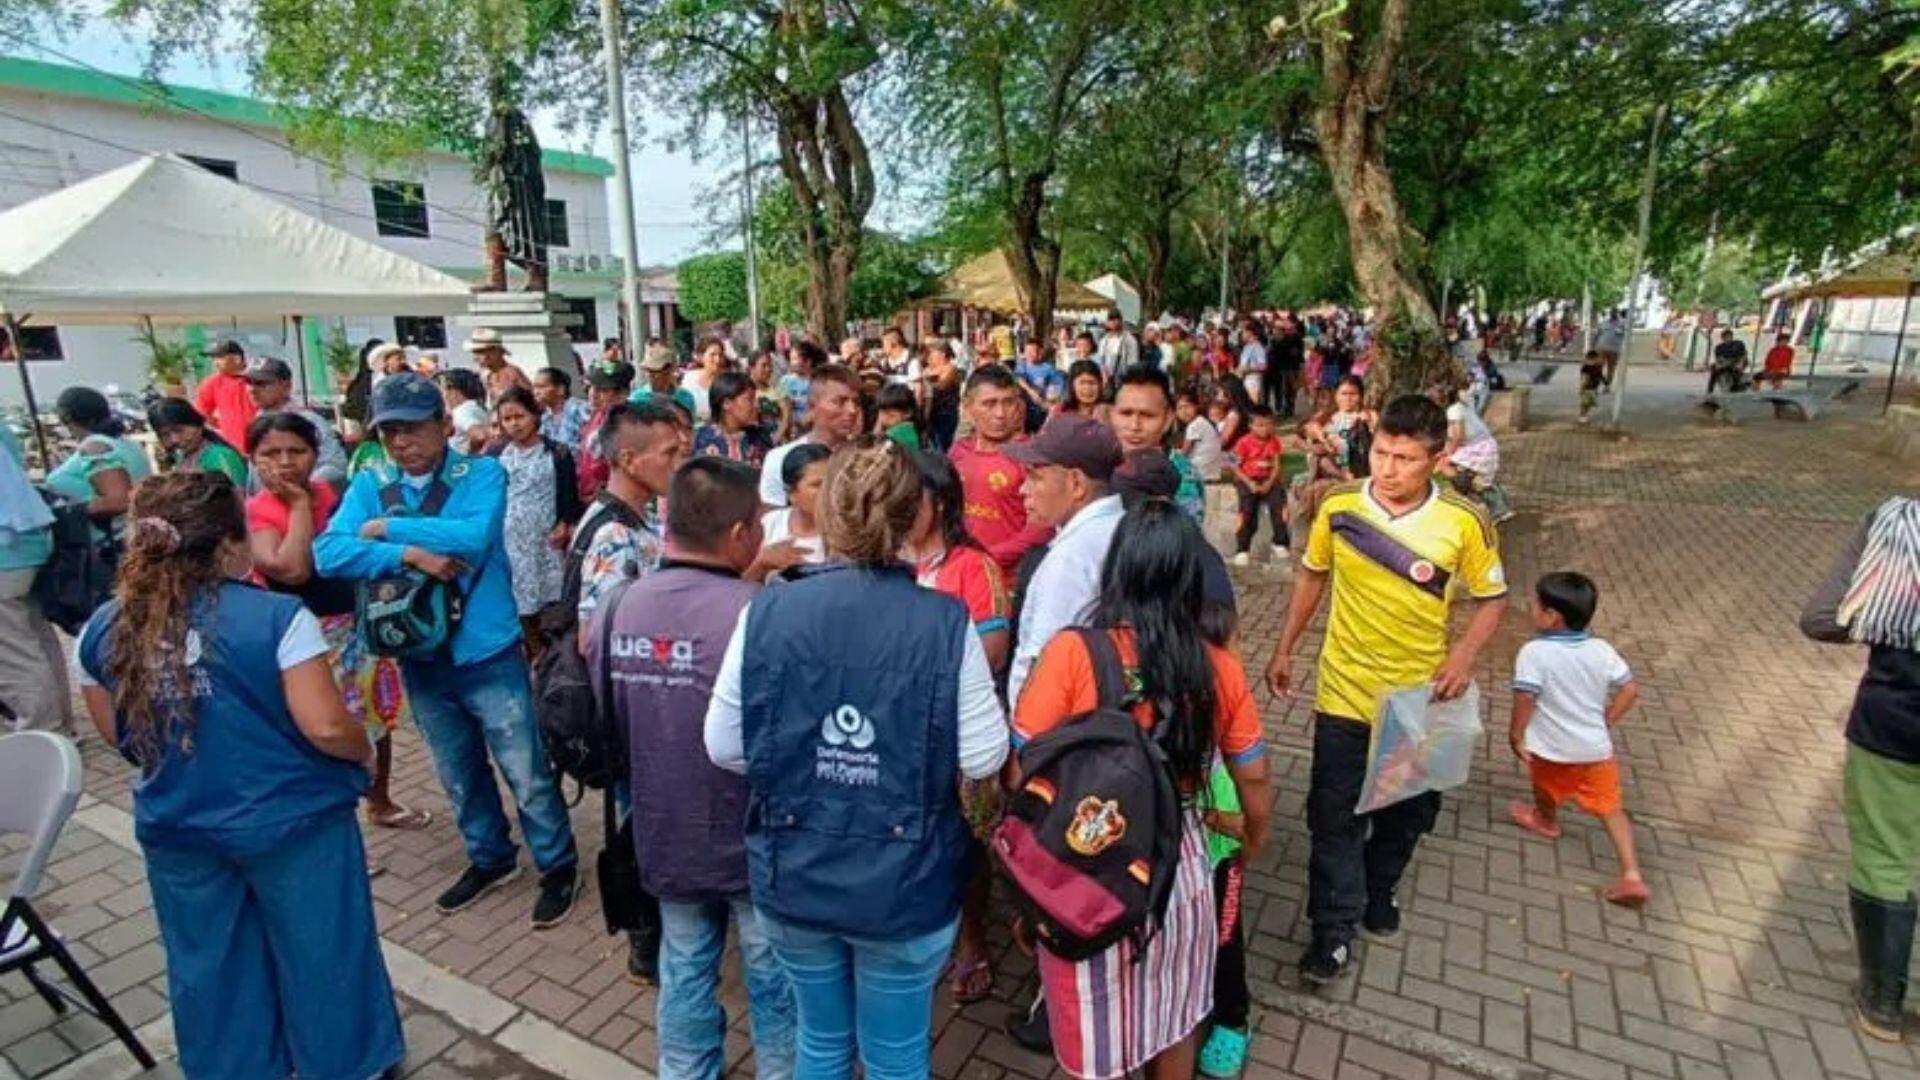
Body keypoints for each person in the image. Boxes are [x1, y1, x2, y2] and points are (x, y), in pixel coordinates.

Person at [76, 472, 405, 1080]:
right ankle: (346, 1064)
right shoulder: (276, 618)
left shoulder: (103, 627)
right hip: (291, 821)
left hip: (178, 822)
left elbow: (119, 735)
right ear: (231, 541)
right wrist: (362, 753)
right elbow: (327, 727)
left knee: (209, 962)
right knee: (323, 952)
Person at [705, 438, 1010, 1080]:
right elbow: (984, 754)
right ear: (912, 516)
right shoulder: (945, 621)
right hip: (908, 880)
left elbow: (725, 745)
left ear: (831, 513)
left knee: (820, 1041)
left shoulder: (768, 607)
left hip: (794, 869)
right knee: (896, 1054)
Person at [1013, 499, 1272, 1080]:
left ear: (1118, 569)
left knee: (1091, 1018)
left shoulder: (1071, 653)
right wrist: (1255, 836)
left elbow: (1023, 763)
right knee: (1175, 1015)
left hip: (1083, 860)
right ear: (1188, 575)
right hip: (1179, 858)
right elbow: (1252, 773)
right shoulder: (1215, 664)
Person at [315, 372, 582, 927]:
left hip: (488, 651)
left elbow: (473, 537)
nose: (400, 442)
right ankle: (490, 858)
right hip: (420, 655)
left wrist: (384, 527)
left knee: (526, 769)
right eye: (389, 432)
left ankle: (558, 865)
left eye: (412, 428)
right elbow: (328, 553)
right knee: (458, 772)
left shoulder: (481, 472)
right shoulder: (370, 479)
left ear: (443, 424)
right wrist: (409, 553)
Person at [1263, 395, 1508, 984]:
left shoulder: (1464, 521)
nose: (1389, 469)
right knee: (1333, 814)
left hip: (1422, 698)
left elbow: (1492, 600)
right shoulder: (1341, 506)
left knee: (1406, 813)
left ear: (1439, 457)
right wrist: (1284, 647)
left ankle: (1381, 885)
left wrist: (1464, 656)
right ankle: (1333, 931)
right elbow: (1313, 574)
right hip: (1343, 689)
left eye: (1405, 458)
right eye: (1380, 452)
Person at [586, 457, 796, 1080]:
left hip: (660, 827)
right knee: (771, 977)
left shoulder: (617, 606)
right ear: (738, 536)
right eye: (758, 524)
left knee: (682, 966)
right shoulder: (760, 614)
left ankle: (685, 1071)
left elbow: (607, 714)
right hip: (750, 837)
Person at [246, 412, 428, 831]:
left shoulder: (336, 493)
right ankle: (332, 822)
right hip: (300, 638)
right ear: (253, 459)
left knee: (375, 718)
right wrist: (297, 507)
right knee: (320, 726)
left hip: (357, 625)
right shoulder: (257, 510)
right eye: (271, 453)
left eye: (297, 451)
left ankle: (379, 801)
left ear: (315, 453)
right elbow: (293, 569)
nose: (285, 462)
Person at [1801, 496, 1920, 1042]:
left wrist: (1892, 623)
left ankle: (1882, 1003)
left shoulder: (1894, 521)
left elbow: (1822, 619)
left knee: (1884, 858)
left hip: (1895, 726)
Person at [907, 451, 1012, 1005]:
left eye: (910, 498)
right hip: (901, 736)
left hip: (957, 735)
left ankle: (973, 939)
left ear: (941, 503)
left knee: (968, 842)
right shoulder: (886, 558)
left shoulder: (974, 565)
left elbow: (993, 652)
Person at [1507, 571, 1647, 905]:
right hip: (1595, 749)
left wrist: (1516, 735)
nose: (1531, 609)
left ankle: (1546, 821)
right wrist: (1606, 720)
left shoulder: (1534, 653)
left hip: (1551, 747)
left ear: (1552, 616)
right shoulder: (1601, 649)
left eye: (1536, 605)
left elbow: (1525, 698)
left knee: (1544, 786)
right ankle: (1632, 874)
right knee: (1612, 808)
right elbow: (1630, 689)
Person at [1007, 413, 1126, 704]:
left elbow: (1042, 668)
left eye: (1035, 476)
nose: (1023, 489)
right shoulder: (1121, 526)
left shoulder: (1070, 559)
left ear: (1076, 484)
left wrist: (1025, 740)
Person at [574, 403, 683, 630]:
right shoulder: (613, 537)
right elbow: (593, 638)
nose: (679, 465)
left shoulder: (640, 516)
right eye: (669, 454)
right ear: (629, 461)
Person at [487, 387, 582, 647]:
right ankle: (534, 654)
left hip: (545, 540)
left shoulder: (556, 453)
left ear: (534, 415)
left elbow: (568, 495)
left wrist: (564, 523)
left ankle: (555, 654)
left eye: (520, 416)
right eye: (507, 419)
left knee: (551, 599)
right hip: (511, 542)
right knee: (520, 603)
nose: (514, 424)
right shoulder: (495, 455)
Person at [951, 364, 1054, 580]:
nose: (1000, 414)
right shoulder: (957, 452)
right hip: (961, 576)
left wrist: (986, 558)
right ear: (968, 408)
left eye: (1008, 403)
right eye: (989, 404)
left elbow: (1042, 528)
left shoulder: (1033, 458)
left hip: (1009, 584)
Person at [0, 422, 64, 734]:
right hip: (27, 540)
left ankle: (41, 730)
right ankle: (60, 727)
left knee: (14, 652)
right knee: (37, 640)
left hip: (6, 547)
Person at [47, 387, 152, 541]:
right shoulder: (124, 441)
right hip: (134, 533)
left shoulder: (96, 447)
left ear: (66, 416)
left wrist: (69, 511)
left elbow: (120, 501)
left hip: (114, 542)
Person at [759, 364, 863, 508]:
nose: (852, 410)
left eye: (856, 402)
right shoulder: (779, 459)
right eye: (839, 402)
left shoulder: (865, 459)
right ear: (812, 407)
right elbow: (772, 521)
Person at [1111, 366, 1203, 523]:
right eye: (1126, 413)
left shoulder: (1184, 475)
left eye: (1147, 415)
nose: (1134, 426)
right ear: (1112, 414)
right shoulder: (1097, 464)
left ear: (1168, 419)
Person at [244, 357, 349, 487]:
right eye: (249, 382)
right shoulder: (257, 420)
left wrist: (297, 489)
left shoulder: (309, 421)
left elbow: (336, 466)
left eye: (261, 383)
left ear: (286, 386)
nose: (252, 389)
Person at [1436, 384, 1515, 523]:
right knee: (1481, 478)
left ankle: (1494, 509)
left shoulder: (1453, 410)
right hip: (1482, 445)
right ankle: (1500, 507)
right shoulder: (1462, 405)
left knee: (1462, 474)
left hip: (1478, 448)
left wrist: (1448, 454)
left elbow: (1459, 436)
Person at [1229, 406, 1288, 567]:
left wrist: (1269, 483)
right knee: (1246, 511)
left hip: (1268, 479)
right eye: (1260, 425)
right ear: (1251, 426)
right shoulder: (1242, 442)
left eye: (1269, 424)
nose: (1265, 428)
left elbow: (1276, 466)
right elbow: (1233, 465)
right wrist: (1249, 483)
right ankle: (1242, 549)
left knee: (1280, 506)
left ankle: (1279, 542)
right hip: (1247, 480)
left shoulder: (1274, 441)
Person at [149, 398, 248, 487]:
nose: (174, 439)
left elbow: (237, 500)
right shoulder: (183, 455)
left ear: (198, 424)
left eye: (179, 430)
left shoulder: (221, 456)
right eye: (165, 435)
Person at [761, 443, 832, 567]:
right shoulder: (768, 526)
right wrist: (762, 564)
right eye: (817, 485)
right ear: (791, 493)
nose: (828, 490)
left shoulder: (846, 534)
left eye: (832, 481)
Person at [578, 358, 636, 498]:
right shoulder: (597, 415)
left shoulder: (629, 424)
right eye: (590, 387)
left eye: (602, 389)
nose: (593, 393)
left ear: (623, 393)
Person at [694, 370, 776, 467]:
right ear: (726, 404)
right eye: (749, 399)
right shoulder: (702, 439)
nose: (756, 406)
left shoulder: (761, 437)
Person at [194, 338, 260, 449]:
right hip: (233, 447)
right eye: (214, 358)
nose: (215, 362)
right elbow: (202, 411)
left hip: (261, 442)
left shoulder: (258, 378)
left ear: (237, 359)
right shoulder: (212, 383)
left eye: (220, 358)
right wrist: (223, 425)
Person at [465, 328, 534, 402]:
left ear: (496, 351)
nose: (475, 358)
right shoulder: (488, 376)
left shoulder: (512, 373)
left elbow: (532, 399)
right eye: (474, 353)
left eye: (480, 352)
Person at [633, 343, 701, 415]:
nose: (649, 375)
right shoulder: (637, 399)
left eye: (655, 370)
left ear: (669, 370)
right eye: (647, 370)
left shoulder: (685, 397)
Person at [920, 340, 964, 451]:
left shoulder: (950, 368)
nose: (929, 356)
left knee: (941, 447)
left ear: (942, 354)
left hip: (945, 413)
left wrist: (924, 384)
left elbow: (942, 385)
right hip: (930, 412)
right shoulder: (928, 369)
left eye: (931, 352)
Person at [534, 366, 592, 447]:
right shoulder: (545, 418)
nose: (536, 392)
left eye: (541, 387)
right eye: (535, 387)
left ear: (560, 389)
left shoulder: (579, 409)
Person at [438, 368, 493, 454]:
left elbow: (480, 436)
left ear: (453, 391)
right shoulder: (477, 407)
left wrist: (470, 457)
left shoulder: (462, 411)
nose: (442, 395)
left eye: (443, 390)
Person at [1179, 391, 1224, 483]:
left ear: (1196, 406)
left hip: (1201, 473)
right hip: (1212, 472)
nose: (1184, 411)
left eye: (1187, 406)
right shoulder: (1202, 421)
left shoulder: (1195, 425)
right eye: (1180, 408)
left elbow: (1184, 453)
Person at [751, 350, 793, 443]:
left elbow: (787, 415)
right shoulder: (743, 390)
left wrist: (777, 437)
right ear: (752, 368)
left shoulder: (778, 388)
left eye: (770, 365)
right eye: (764, 365)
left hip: (778, 440)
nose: (768, 369)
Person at [683, 338, 730, 423]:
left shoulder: (727, 382)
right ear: (701, 357)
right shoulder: (689, 378)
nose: (717, 360)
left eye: (720, 355)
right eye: (712, 355)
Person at [782, 341, 822, 433]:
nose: (791, 362)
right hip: (790, 430)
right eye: (790, 359)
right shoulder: (785, 381)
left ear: (808, 361)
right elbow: (779, 406)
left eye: (795, 359)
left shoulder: (818, 381)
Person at [874, 383, 922, 449]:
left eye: (891, 415)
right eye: (881, 414)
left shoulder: (894, 434)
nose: (884, 419)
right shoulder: (911, 428)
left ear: (908, 413)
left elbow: (882, 452)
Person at [1098, 310, 1140, 377]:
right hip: (1106, 378)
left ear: (1121, 321)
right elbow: (1101, 360)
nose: (1114, 322)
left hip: (1123, 377)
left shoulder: (1129, 340)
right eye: (1111, 320)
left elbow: (1133, 362)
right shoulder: (1104, 340)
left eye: (1116, 319)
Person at [1708, 329, 1750, 394]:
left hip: (1739, 360)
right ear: (1722, 338)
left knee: (1736, 368)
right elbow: (1718, 359)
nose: (1727, 338)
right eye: (1725, 337)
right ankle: (1710, 390)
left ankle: (1736, 385)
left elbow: (1744, 354)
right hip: (1726, 362)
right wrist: (1719, 365)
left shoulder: (1739, 343)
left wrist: (1741, 363)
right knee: (1714, 368)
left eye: (1729, 336)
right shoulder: (1719, 347)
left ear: (1732, 336)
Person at [1237, 322, 1269, 405]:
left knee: (1253, 404)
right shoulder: (1247, 347)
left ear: (1250, 333)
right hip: (1244, 379)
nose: (1242, 334)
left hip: (1253, 380)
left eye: (1244, 331)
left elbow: (1263, 366)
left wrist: (1248, 369)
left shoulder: (1258, 347)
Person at [1595, 309, 1627, 388]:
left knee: (1611, 368)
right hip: (1602, 348)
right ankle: (1599, 382)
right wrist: (1594, 346)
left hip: (1614, 350)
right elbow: (1598, 334)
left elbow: (1625, 335)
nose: (1613, 314)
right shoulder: (1604, 322)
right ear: (1610, 313)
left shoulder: (1622, 324)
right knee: (1599, 366)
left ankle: (1607, 385)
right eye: (1612, 312)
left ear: (1617, 313)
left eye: (1615, 312)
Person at [1578, 350, 1606, 425]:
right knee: (1585, 403)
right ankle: (1582, 416)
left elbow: (1600, 375)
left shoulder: (1597, 367)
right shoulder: (1586, 367)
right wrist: (1582, 387)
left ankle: (1584, 415)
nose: (1598, 360)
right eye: (1595, 359)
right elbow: (1585, 378)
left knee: (1590, 403)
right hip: (1588, 387)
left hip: (1594, 388)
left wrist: (1605, 382)